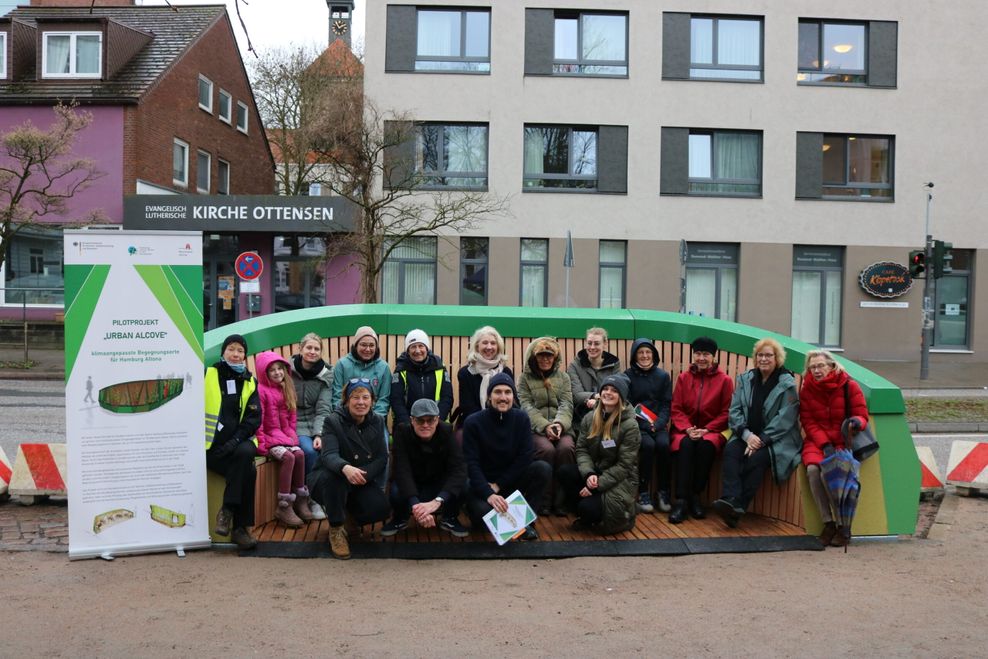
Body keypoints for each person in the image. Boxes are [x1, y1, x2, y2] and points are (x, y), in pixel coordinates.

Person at [713, 338, 802, 529]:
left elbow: (785, 419)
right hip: (746, 434)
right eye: (760, 355)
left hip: (776, 440)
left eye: (768, 355)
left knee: (756, 461)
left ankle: (737, 507)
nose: (763, 359)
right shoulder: (747, 379)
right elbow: (734, 411)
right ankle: (731, 499)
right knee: (731, 452)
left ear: (777, 358)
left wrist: (760, 441)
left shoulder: (786, 383)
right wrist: (746, 436)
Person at [307, 378, 391, 559]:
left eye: (365, 397)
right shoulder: (333, 421)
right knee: (334, 480)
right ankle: (336, 528)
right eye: (355, 397)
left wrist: (362, 475)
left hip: (359, 477)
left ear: (372, 400)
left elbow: (381, 457)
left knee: (381, 509)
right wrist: (346, 468)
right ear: (346, 400)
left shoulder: (377, 421)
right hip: (328, 478)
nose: (361, 402)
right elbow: (328, 455)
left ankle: (348, 517)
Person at [463, 373, 551, 541]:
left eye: (507, 392)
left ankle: (526, 523)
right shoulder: (473, 422)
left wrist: (499, 484)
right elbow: (470, 463)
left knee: (542, 468)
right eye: (497, 392)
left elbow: (525, 457)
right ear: (489, 397)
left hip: (509, 481)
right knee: (482, 517)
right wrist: (488, 492)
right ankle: (480, 512)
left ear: (513, 396)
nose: (503, 397)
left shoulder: (522, 418)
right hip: (483, 484)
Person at [799, 348, 869, 548]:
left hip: (843, 441)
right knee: (813, 471)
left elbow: (862, 415)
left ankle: (843, 526)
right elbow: (808, 420)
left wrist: (855, 422)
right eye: (812, 367)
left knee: (829, 475)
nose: (816, 370)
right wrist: (824, 444)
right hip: (818, 442)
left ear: (831, 365)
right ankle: (828, 523)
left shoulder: (849, 386)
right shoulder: (808, 389)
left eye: (820, 365)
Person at [558, 374, 640, 534]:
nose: (608, 393)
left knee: (586, 509)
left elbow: (624, 465)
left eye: (614, 391)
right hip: (596, 470)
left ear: (621, 396)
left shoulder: (630, 426)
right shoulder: (590, 418)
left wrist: (597, 485)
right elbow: (581, 449)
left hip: (620, 478)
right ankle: (589, 509)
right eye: (605, 389)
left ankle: (623, 513)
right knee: (565, 472)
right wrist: (589, 474)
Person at [668, 336, 734, 524]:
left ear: (714, 357)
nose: (701, 358)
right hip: (684, 429)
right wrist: (688, 429)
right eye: (698, 354)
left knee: (706, 447)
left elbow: (726, 412)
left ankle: (695, 496)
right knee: (686, 445)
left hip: (712, 430)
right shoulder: (683, 378)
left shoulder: (725, 381)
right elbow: (677, 408)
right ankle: (681, 500)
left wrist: (707, 429)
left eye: (706, 354)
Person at [381, 398, 469, 538]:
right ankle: (400, 518)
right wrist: (417, 506)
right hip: (413, 483)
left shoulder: (446, 431)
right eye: (420, 420)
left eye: (431, 420)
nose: (426, 425)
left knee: (464, 485)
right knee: (396, 491)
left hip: (439, 484)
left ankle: (450, 517)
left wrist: (438, 501)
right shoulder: (402, 432)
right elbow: (402, 470)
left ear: (438, 420)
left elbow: (459, 468)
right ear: (412, 420)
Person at [205, 334, 261, 549]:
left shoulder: (249, 381)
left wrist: (234, 440)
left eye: (240, 351)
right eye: (231, 349)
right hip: (211, 446)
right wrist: (225, 444)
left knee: (246, 453)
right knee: (249, 469)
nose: (236, 354)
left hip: (238, 444)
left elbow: (253, 418)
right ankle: (240, 529)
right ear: (223, 352)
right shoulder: (209, 374)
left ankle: (227, 511)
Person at [254, 351, 314, 528]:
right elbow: (259, 421)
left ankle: (300, 500)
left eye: (280, 369)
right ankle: (284, 505)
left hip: (284, 436)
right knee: (289, 457)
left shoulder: (287, 388)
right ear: (264, 373)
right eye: (271, 370)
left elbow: (291, 418)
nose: (277, 373)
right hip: (269, 438)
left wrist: (292, 435)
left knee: (300, 454)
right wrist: (262, 444)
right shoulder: (261, 391)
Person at [517, 336, 575, 516]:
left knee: (567, 448)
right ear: (534, 357)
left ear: (555, 357)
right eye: (541, 355)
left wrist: (558, 425)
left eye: (549, 355)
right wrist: (545, 427)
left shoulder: (563, 377)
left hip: (561, 427)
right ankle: (543, 501)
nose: (545, 359)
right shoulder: (524, 379)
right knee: (546, 450)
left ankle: (561, 501)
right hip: (536, 429)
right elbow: (526, 406)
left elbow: (567, 404)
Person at [624, 338, 673, 514]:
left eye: (648, 352)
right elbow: (627, 405)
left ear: (654, 355)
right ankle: (643, 493)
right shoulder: (627, 376)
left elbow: (667, 404)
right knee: (648, 445)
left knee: (663, 445)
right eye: (640, 352)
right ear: (634, 355)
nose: (644, 356)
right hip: (638, 426)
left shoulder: (662, 376)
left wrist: (659, 423)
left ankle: (663, 491)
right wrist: (644, 425)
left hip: (658, 425)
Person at [289, 332, 333, 520]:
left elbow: (323, 409)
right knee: (308, 450)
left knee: (322, 448)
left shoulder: (325, 376)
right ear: (300, 349)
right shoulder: (287, 371)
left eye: (316, 349)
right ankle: (310, 499)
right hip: (291, 422)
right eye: (309, 347)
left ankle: (318, 498)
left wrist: (319, 434)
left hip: (314, 422)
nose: (312, 352)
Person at [390, 329, 454, 426]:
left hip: (437, 422)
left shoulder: (439, 367)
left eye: (421, 346)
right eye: (413, 347)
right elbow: (396, 400)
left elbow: (447, 398)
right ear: (408, 350)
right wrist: (409, 424)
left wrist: (436, 422)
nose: (417, 351)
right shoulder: (400, 370)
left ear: (427, 348)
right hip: (408, 424)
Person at [455, 325, 512, 429]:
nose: (489, 347)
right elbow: (468, 407)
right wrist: (488, 424)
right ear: (477, 346)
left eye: (493, 343)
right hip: (474, 423)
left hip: (503, 422)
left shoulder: (506, 372)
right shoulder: (466, 373)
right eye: (485, 343)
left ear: (498, 347)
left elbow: (513, 404)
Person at [567, 327, 622, 434]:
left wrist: (598, 401)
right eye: (589, 343)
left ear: (605, 344)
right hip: (581, 418)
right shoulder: (574, 366)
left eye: (597, 343)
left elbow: (617, 392)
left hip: (608, 416)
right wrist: (595, 396)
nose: (592, 347)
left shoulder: (614, 365)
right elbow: (576, 395)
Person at [331, 326, 391, 420]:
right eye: (363, 345)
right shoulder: (342, 364)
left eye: (371, 345)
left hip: (374, 418)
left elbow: (384, 399)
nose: (367, 349)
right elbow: (337, 396)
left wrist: (374, 420)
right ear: (355, 345)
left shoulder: (383, 367)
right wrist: (345, 417)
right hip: (346, 417)